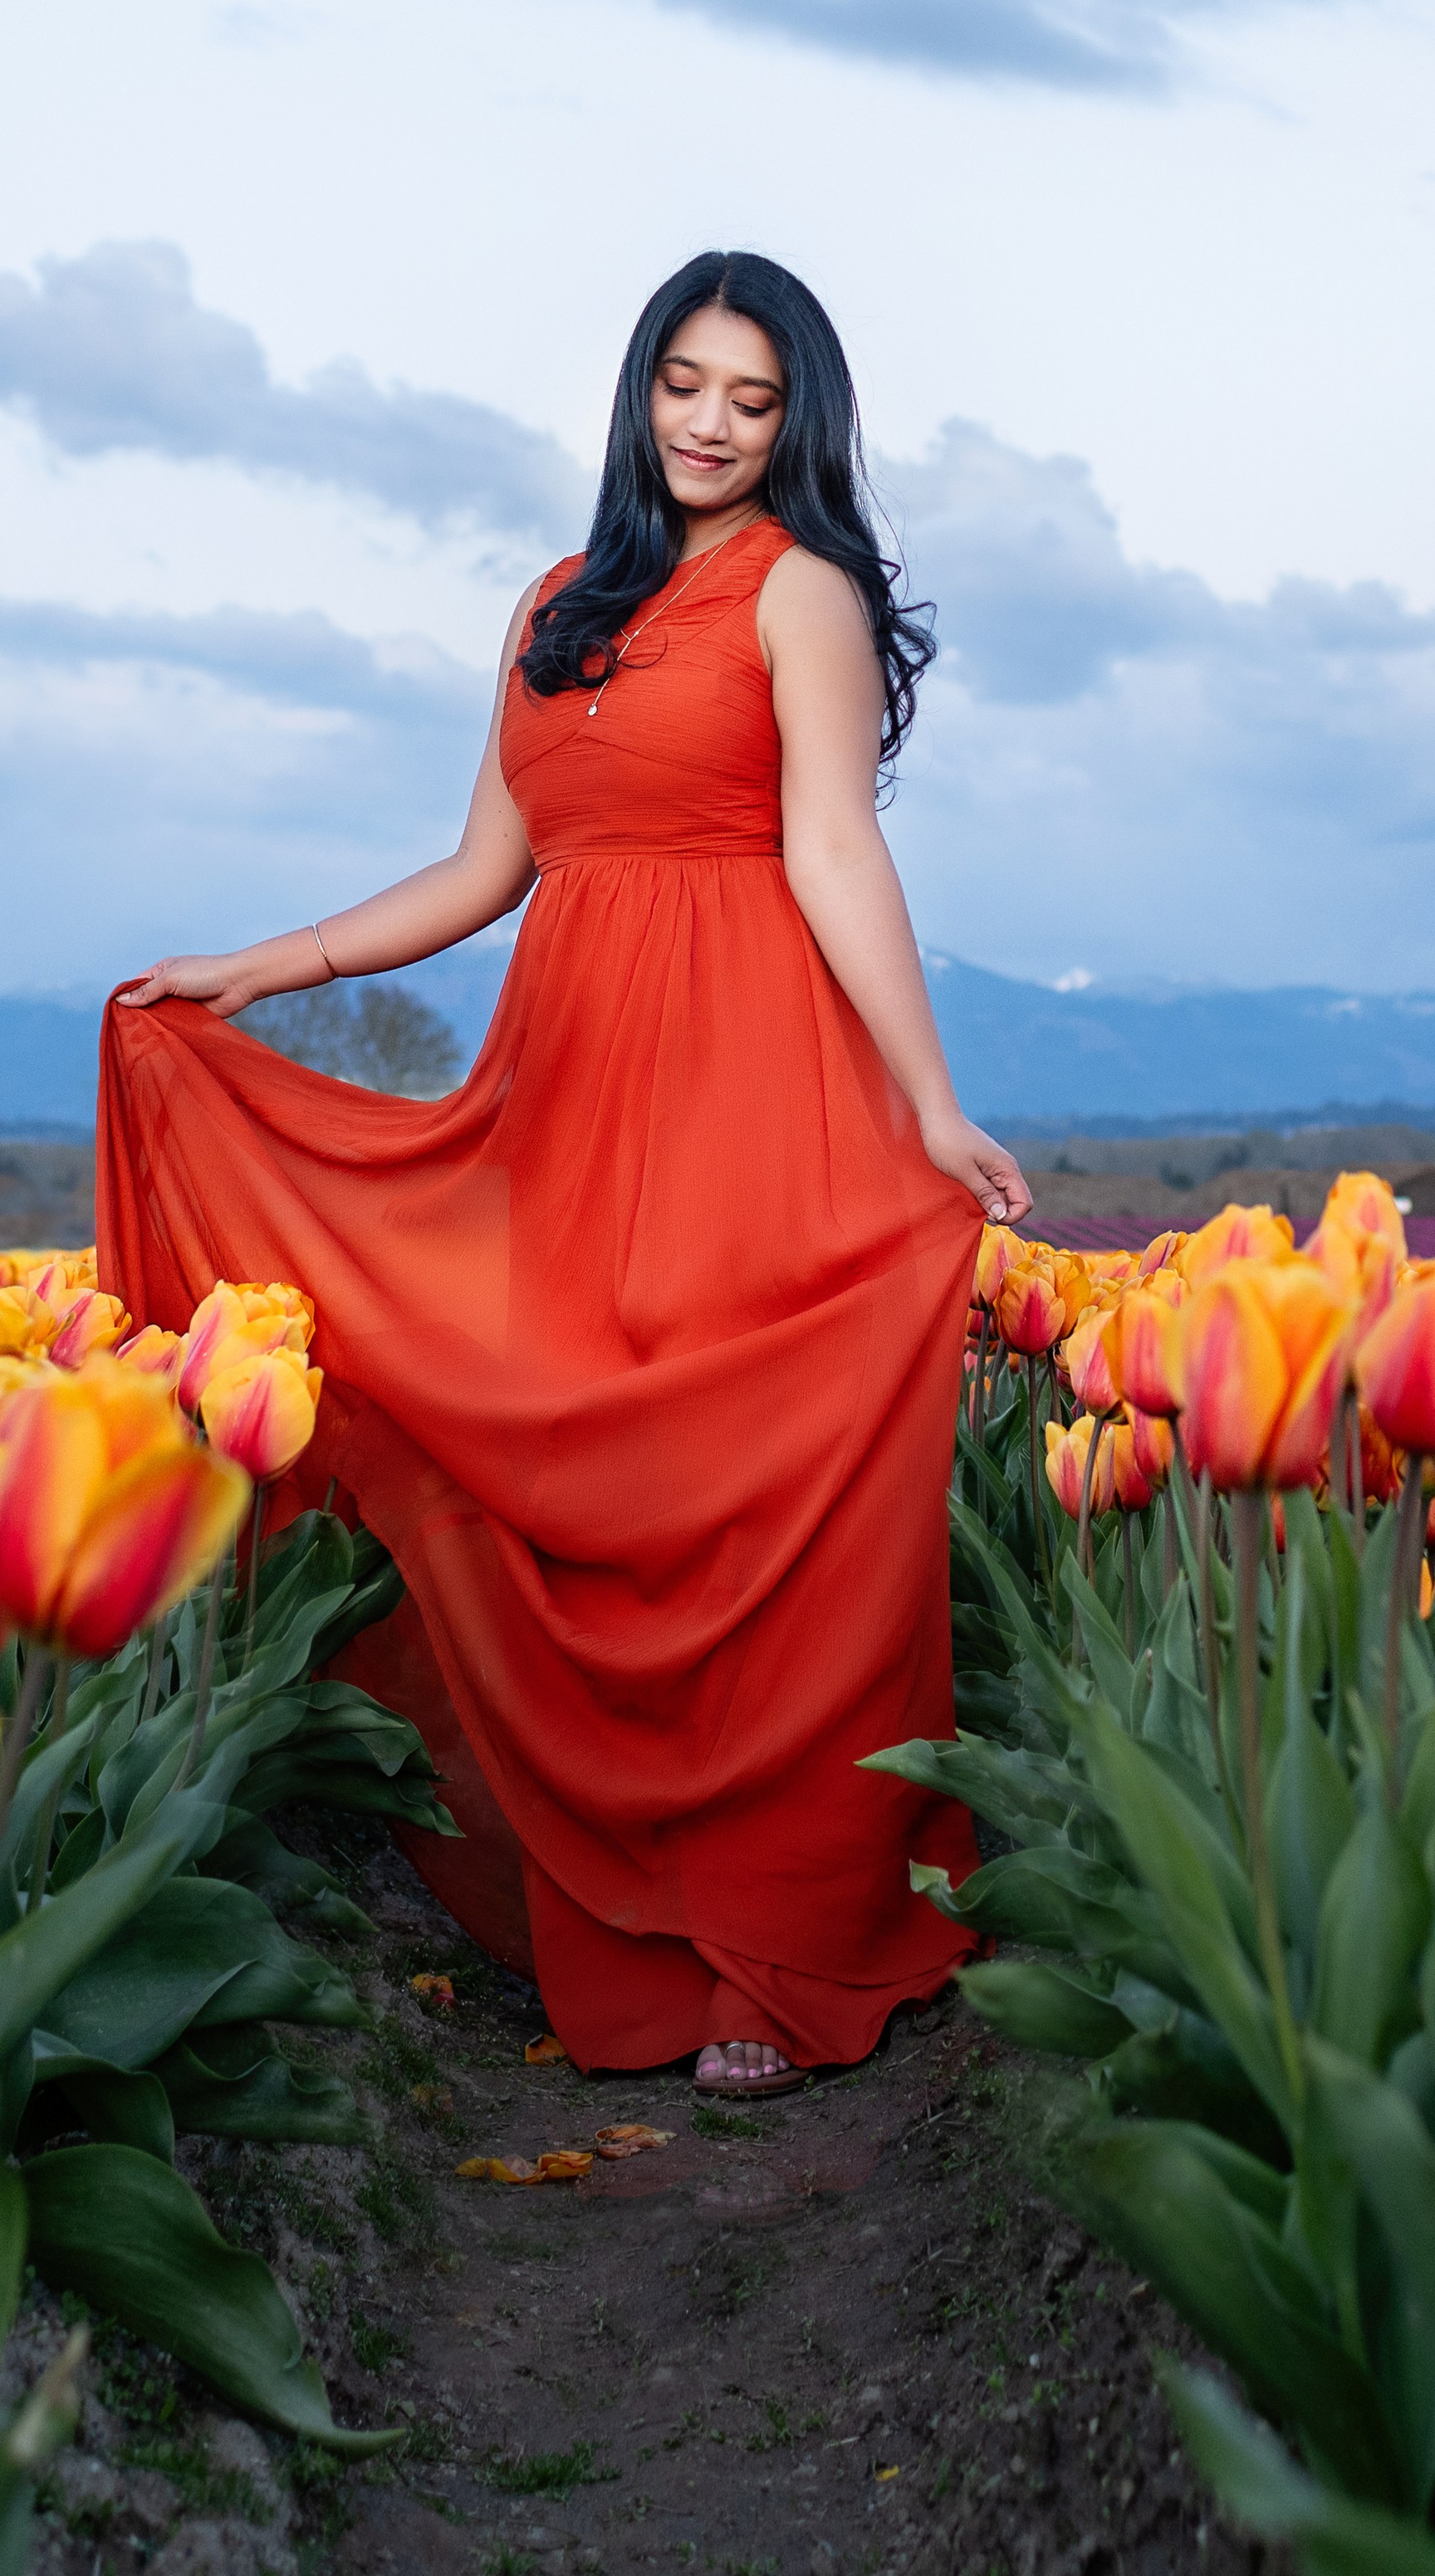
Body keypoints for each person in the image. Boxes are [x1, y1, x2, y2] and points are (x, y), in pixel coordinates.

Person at [102, 250, 1032, 2095]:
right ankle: (614, 1912)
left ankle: (765, 1957)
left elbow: (834, 853)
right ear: (638, 390)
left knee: (730, 1511)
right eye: (683, 384)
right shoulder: (551, 604)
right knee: (581, 1486)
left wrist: (928, 1103)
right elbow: (476, 874)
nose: (707, 423)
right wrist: (262, 966)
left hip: (758, 1089)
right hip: (565, 1101)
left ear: (796, 425)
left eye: (749, 400)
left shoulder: (804, 598)